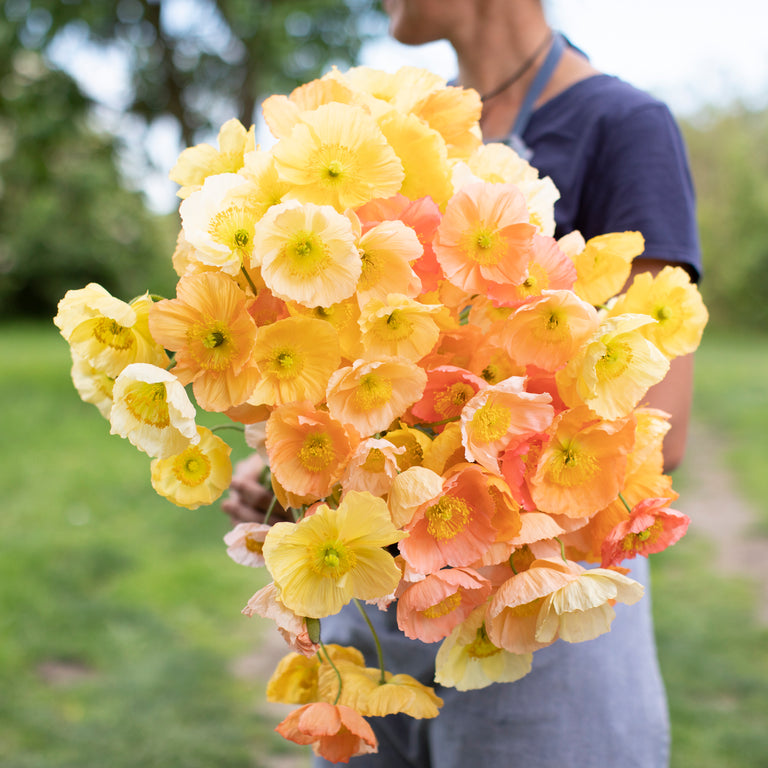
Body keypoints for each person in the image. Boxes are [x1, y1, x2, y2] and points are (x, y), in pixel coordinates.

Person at [223, 1, 702, 765]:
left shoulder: (622, 123)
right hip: (382, 599)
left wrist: (460, 464)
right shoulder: (402, 130)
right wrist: (301, 472)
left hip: (535, 608)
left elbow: (660, 426)